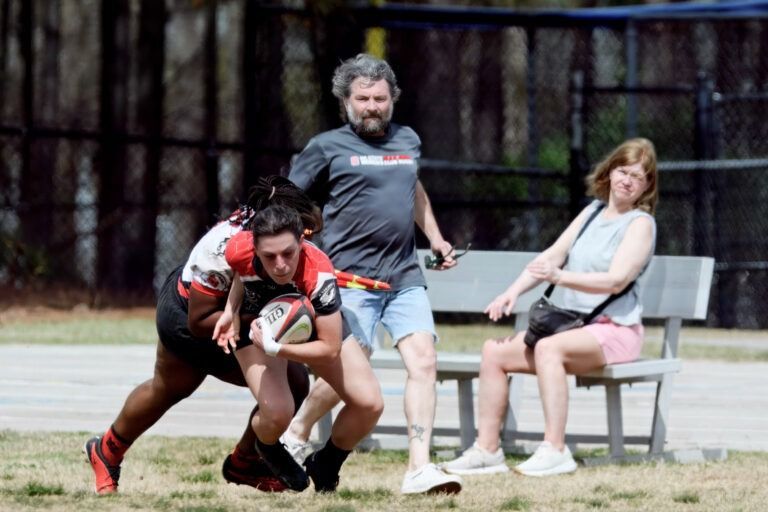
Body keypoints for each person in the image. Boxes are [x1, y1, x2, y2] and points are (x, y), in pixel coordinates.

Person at [285, 53, 462, 495]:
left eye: (380, 99)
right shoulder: (326, 146)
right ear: (345, 101)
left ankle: (418, 467)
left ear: (392, 99)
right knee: (350, 371)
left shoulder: (408, 140)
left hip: (403, 276)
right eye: (362, 99)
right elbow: (287, 200)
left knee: (424, 361)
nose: (372, 107)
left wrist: (436, 238)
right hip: (348, 281)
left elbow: (413, 188)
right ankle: (296, 435)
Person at [84, 176, 321, 495]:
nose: (306, 242)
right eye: (305, 233)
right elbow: (199, 321)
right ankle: (107, 451)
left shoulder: (277, 241)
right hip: (191, 317)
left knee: (293, 382)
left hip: (241, 316)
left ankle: (245, 461)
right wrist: (272, 319)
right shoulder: (223, 250)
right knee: (171, 387)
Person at [441, 137, 658, 477]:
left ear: (647, 186)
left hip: (615, 331)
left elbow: (616, 281)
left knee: (548, 348)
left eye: (638, 176)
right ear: (609, 171)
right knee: (493, 352)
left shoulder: (640, 224)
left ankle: (555, 449)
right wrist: (512, 293)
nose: (628, 181)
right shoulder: (592, 212)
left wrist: (561, 277)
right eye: (623, 171)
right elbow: (550, 258)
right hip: (574, 327)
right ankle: (487, 451)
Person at [213, 204, 384, 493]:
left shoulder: (318, 273)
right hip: (260, 326)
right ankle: (266, 447)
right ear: (255, 249)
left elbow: (329, 348)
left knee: (369, 404)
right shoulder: (238, 249)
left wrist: (276, 349)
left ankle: (326, 462)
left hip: (314, 329)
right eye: (269, 256)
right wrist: (231, 310)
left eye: (288, 253)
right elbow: (242, 274)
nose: (280, 264)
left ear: (301, 242)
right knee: (278, 413)